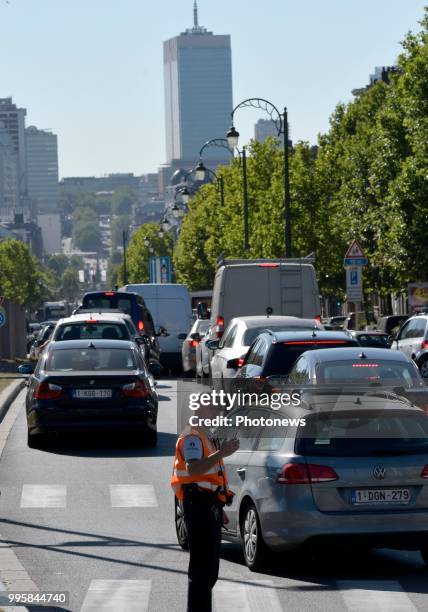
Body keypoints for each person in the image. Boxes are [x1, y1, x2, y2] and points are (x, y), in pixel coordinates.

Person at [171, 403, 239, 612]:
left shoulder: (204, 435)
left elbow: (209, 478)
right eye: (214, 410)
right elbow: (193, 469)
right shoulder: (193, 436)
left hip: (208, 505)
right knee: (202, 569)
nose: (217, 414)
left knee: (209, 569)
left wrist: (219, 508)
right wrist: (222, 453)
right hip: (198, 505)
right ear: (200, 410)